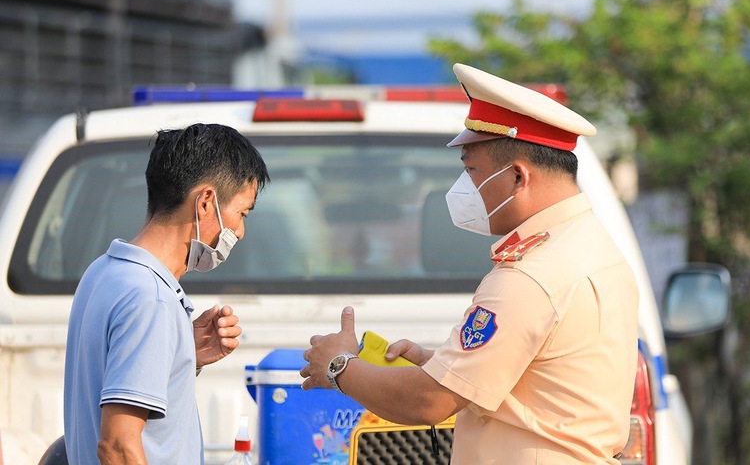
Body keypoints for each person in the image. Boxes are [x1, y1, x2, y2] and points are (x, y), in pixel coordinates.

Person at [300, 64, 639, 464]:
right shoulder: (592, 246)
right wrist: (438, 364)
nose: (467, 189)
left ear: (517, 177)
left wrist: (339, 367)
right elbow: (542, 386)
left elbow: (429, 401)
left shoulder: (531, 274)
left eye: (471, 171)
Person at [64, 123, 269, 465]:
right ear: (206, 202)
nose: (241, 230)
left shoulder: (104, 270)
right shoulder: (151, 298)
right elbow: (117, 446)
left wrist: (180, 355)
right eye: (241, 213)